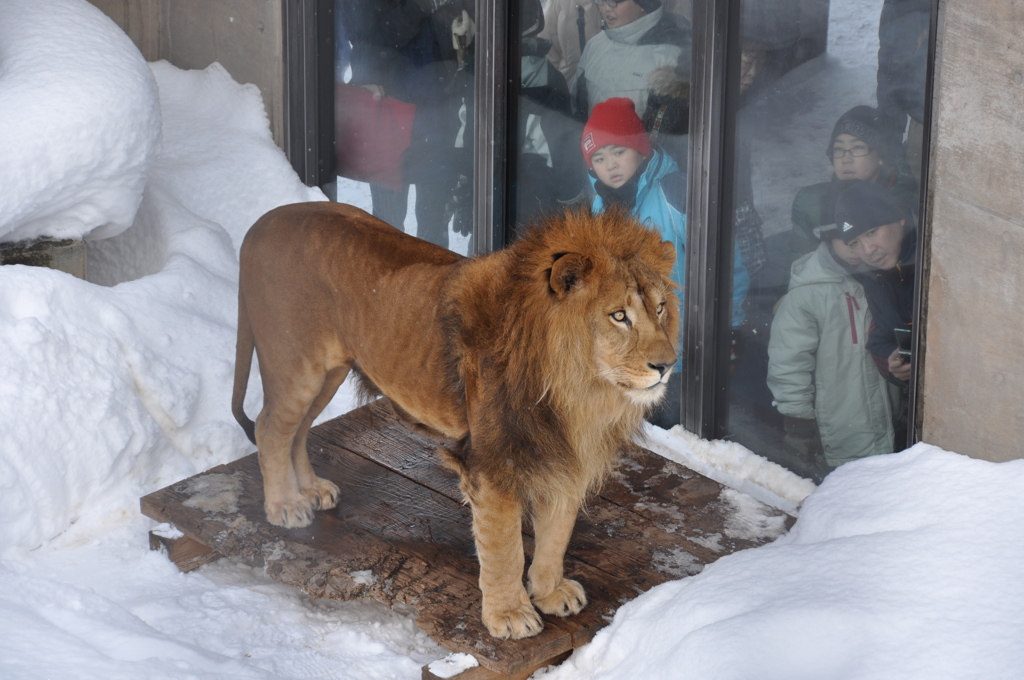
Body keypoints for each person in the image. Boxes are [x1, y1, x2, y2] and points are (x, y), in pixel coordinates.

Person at [767, 226, 896, 481]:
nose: (854, 248)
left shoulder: (879, 279)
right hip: (838, 427)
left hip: (886, 419)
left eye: (860, 240)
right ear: (827, 240)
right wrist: (798, 423)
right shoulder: (807, 296)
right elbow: (788, 363)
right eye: (846, 241)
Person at [834, 180, 916, 445]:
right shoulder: (876, 279)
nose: (867, 250)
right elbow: (881, 341)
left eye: (872, 232)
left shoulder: (937, 256)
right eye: (855, 243)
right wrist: (895, 366)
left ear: (900, 218)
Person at [790, 105, 918, 262]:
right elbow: (802, 269)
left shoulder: (911, 200)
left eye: (857, 148)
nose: (846, 159)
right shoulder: (810, 203)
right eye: (838, 149)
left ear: (880, 155)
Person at [572, 0, 692, 125]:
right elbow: (577, 104)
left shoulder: (672, 56)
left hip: (639, 143)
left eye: (614, 1)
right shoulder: (594, 45)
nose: (606, 8)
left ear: (642, 5)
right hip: (591, 142)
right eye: (601, 1)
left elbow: (670, 127)